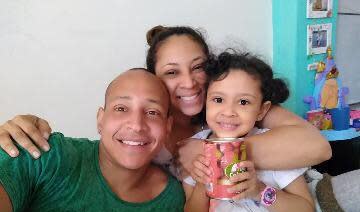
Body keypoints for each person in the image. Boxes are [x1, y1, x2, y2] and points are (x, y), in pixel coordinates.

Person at [0, 25, 331, 176]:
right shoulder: (142, 129)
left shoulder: (229, 108)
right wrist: (27, 126)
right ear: (154, 80)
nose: (188, 83)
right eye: (172, 73)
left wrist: (214, 153)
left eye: (199, 68)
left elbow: (318, 146)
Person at [0, 69, 185, 212]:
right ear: (100, 120)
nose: (137, 125)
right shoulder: (44, 153)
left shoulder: (173, 203)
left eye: (152, 112)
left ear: (167, 126)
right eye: (121, 108)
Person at [159, 51, 316, 212]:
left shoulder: (274, 147)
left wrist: (259, 190)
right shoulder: (195, 150)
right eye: (218, 99)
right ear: (206, 102)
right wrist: (203, 183)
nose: (229, 111)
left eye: (243, 101)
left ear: (262, 110)